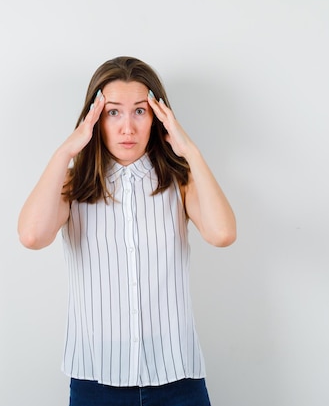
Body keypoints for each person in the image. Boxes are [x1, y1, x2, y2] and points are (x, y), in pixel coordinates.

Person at [18, 56, 236, 406]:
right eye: (113, 112)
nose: (127, 128)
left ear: (158, 117)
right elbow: (32, 236)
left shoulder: (180, 182)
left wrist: (189, 149)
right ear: (94, 119)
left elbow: (222, 233)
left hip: (178, 379)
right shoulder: (73, 185)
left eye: (140, 111)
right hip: (96, 382)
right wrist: (66, 151)